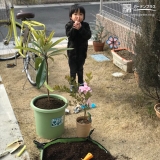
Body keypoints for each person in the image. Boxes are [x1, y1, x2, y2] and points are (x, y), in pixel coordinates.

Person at [65, 4, 91, 91]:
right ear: (70, 16)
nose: (78, 17)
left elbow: (88, 36)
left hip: (82, 52)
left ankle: (81, 83)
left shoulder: (86, 25)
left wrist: (80, 28)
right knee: (73, 70)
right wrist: (74, 28)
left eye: (80, 14)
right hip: (72, 53)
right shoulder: (68, 25)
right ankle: (72, 84)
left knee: (80, 69)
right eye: (75, 14)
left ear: (84, 16)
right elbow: (70, 36)